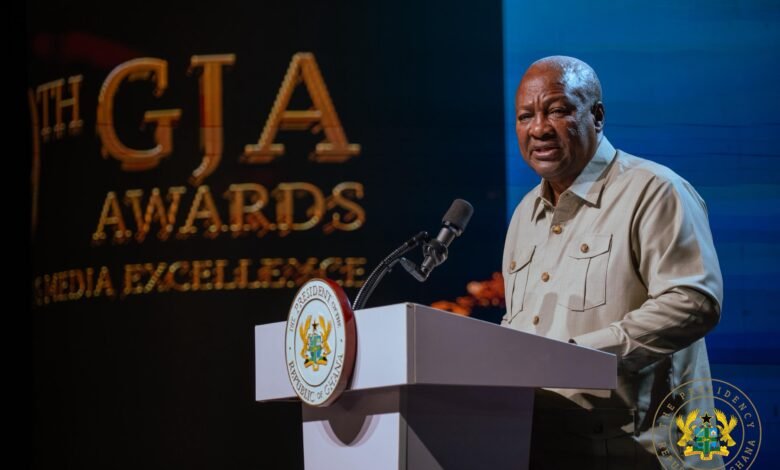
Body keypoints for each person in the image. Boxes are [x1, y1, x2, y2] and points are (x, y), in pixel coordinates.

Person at [502, 56, 723, 467]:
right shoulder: (524, 214)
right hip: (545, 448)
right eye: (525, 116)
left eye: (557, 110)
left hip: (640, 453)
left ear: (597, 116)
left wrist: (581, 358)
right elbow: (520, 324)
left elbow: (693, 302)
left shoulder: (654, 190)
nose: (538, 128)